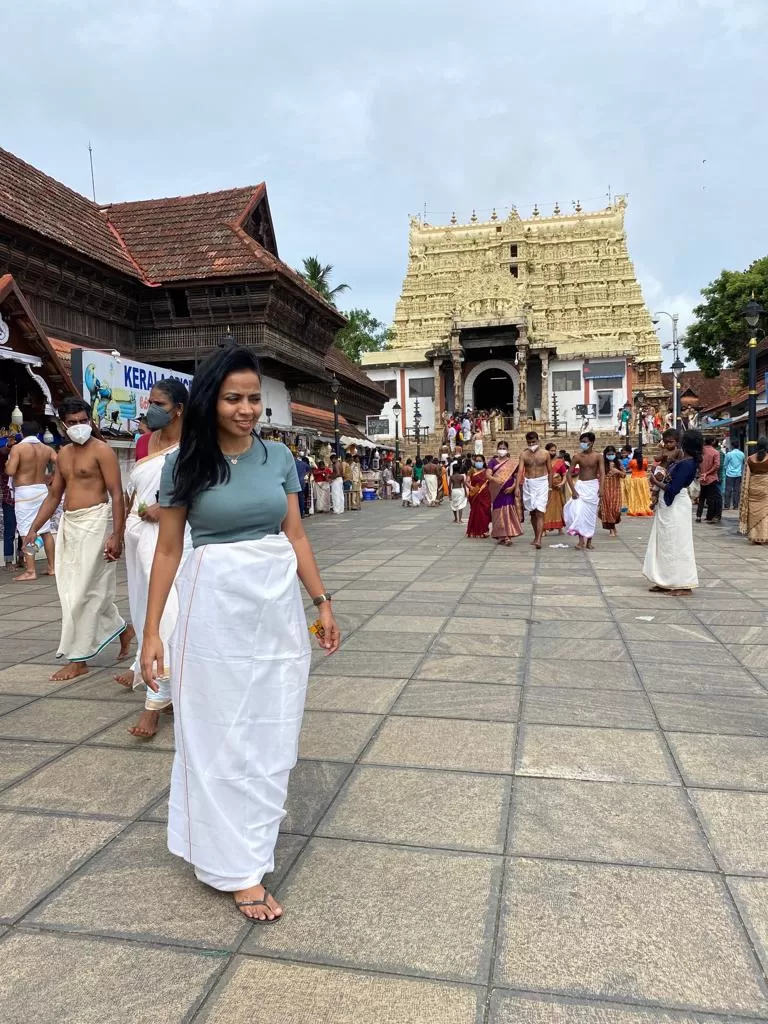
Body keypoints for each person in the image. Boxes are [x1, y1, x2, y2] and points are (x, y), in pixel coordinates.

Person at [140, 344, 340, 922]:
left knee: (272, 725)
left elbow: (297, 536)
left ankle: (254, 833)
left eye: (254, 398)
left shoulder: (278, 458)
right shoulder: (186, 464)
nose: (248, 409)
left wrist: (322, 602)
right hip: (214, 610)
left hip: (275, 609)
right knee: (219, 731)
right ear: (210, 401)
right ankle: (236, 867)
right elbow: (169, 550)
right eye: (234, 398)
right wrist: (152, 631)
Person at [21, 398, 134, 681]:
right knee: (71, 590)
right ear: (63, 424)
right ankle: (122, 629)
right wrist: (34, 528)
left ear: (90, 420)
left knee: (84, 591)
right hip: (71, 524)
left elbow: (117, 494)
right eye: (72, 422)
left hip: (98, 522)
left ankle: (78, 658)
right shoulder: (64, 453)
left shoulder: (102, 451)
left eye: (83, 421)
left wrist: (116, 535)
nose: (79, 426)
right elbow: (54, 495)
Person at [116, 379, 190, 738]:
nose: (151, 408)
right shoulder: (145, 441)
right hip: (137, 534)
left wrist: (165, 508)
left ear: (178, 409)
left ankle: (154, 703)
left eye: (159, 403)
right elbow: (133, 491)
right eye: (150, 401)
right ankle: (161, 679)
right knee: (144, 608)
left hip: (171, 535)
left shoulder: (192, 444)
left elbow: (196, 488)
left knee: (168, 614)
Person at [644, 429, 701, 595]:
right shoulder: (681, 460)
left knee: (678, 544)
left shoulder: (687, 464)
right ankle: (665, 580)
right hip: (668, 505)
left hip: (676, 505)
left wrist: (654, 481)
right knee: (665, 543)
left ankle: (683, 584)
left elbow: (674, 488)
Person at [6, 421, 57, 581]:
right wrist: (53, 477)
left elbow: (11, 470)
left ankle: (30, 570)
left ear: (21, 431)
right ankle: (52, 567)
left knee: (26, 532)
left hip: (25, 493)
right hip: (42, 490)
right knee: (46, 530)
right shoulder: (47, 449)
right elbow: (61, 462)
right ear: (38, 432)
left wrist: (8, 463)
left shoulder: (18, 448)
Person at [564, 432, 604, 550]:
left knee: (590, 516)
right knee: (579, 514)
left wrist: (601, 488)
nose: (583, 444)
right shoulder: (577, 457)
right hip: (581, 487)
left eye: (585, 442)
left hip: (593, 487)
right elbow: (568, 474)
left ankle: (589, 541)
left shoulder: (598, 456)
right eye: (581, 442)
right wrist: (573, 490)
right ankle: (581, 541)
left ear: (591, 443)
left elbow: (602, 473)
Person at [519, 431, 552, 549]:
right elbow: (520, 471)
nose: (531, 444)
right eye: (529, 442)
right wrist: (518, 487)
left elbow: (550, 471)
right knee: (532, 512)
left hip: (542, 483)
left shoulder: (545, 454)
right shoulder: (523, 455)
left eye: (533, 441)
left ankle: (539, 539)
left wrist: (550, 487)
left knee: (540, 511)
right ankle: (536, 536)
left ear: (538, 440)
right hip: (528, 484)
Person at [486, 441, 522, 546]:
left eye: (504, 448)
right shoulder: (492, 461)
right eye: (500, 448)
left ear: (507, 450)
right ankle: (501, 535)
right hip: (497, 491)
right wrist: (495, 480)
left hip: (508, 491)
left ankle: (507, 536)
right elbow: (488, 475)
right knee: (498, 512)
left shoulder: (512, 463)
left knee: (508, 512)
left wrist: (513, 487)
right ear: (497, 449)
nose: (502, 450)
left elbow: (517, 477)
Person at [739, 438, 768, 544]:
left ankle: (755, 537)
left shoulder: (750, 459)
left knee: (753, 513)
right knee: (765, 512)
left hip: (752, 488)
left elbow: (746, 476)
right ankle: (764, 536)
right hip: (765, 489)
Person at [0, 436, 19, 569]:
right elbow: (2, 453)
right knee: (10, 531)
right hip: (9, 500)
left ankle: (23, 557)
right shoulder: (3, 462)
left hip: (22, 499)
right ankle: (8, 561)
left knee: (25, 531)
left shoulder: (21, 461)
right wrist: (8, 446)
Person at [598, 445, 625, 537]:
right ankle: (611, 529)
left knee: (616, 509)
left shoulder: (619, 463)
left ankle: (613, 527)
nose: (610, 455)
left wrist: (617, 471)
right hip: (605, 489)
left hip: (616, 490)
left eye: (612, 454)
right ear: (605, 454)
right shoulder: (602, 464)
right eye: (609, 454)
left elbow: (624, 475)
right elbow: (598, 476)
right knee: (608, 509)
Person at [696, 436, 722, 524]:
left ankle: (698, 516)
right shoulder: (715, 452)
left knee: (702, 498)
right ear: (713, 442)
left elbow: (697, 463)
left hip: (702, 478)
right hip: (711, 478)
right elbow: (716, 466)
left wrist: (702, 472)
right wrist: (707, 473)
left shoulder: (700, 452)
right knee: (712, 498)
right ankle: (710, 516)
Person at [543, 443, 568, 534]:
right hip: (545, 488)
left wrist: (561, 483)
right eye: (551, 450)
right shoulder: (543, 462)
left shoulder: (560, 462)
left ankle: (560, 528)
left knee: (559, 507)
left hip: (557, 489)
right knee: (545, 507)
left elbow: (565, 475)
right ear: (546, 451)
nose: (553, 452)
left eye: (554, 450)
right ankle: (544, 528)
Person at [466, 454, 491, 538]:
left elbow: (490, 482)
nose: (478, 462)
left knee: (485, 512)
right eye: (477, 461)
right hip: (475, 494)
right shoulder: (472, 470)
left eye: (480, 461)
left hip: (485, 494)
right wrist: (471, 488)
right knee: (475, 512)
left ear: (483, 462)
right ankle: (474, 530)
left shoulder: (487, 471)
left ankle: (485, 530)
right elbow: (466, 481)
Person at [626, 448, 653, 517]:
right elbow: (646, 469)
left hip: (634, 479)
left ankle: (635, 508)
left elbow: (628, 468)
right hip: (643, 479)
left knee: (635, 494)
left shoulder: (632, 461)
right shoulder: (645, 461)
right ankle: (645, 508)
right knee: (643, 494)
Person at [723, 443, 746, 510]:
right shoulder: (742, 454)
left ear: (732, 446)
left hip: (729, 474)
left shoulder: (729, 454)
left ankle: (727, 505)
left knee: (728, 490)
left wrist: (727, 469)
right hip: (738, 474)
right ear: (738, 446)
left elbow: (725, 464)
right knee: (737, 490)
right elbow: (743, 462)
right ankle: (735, 506)